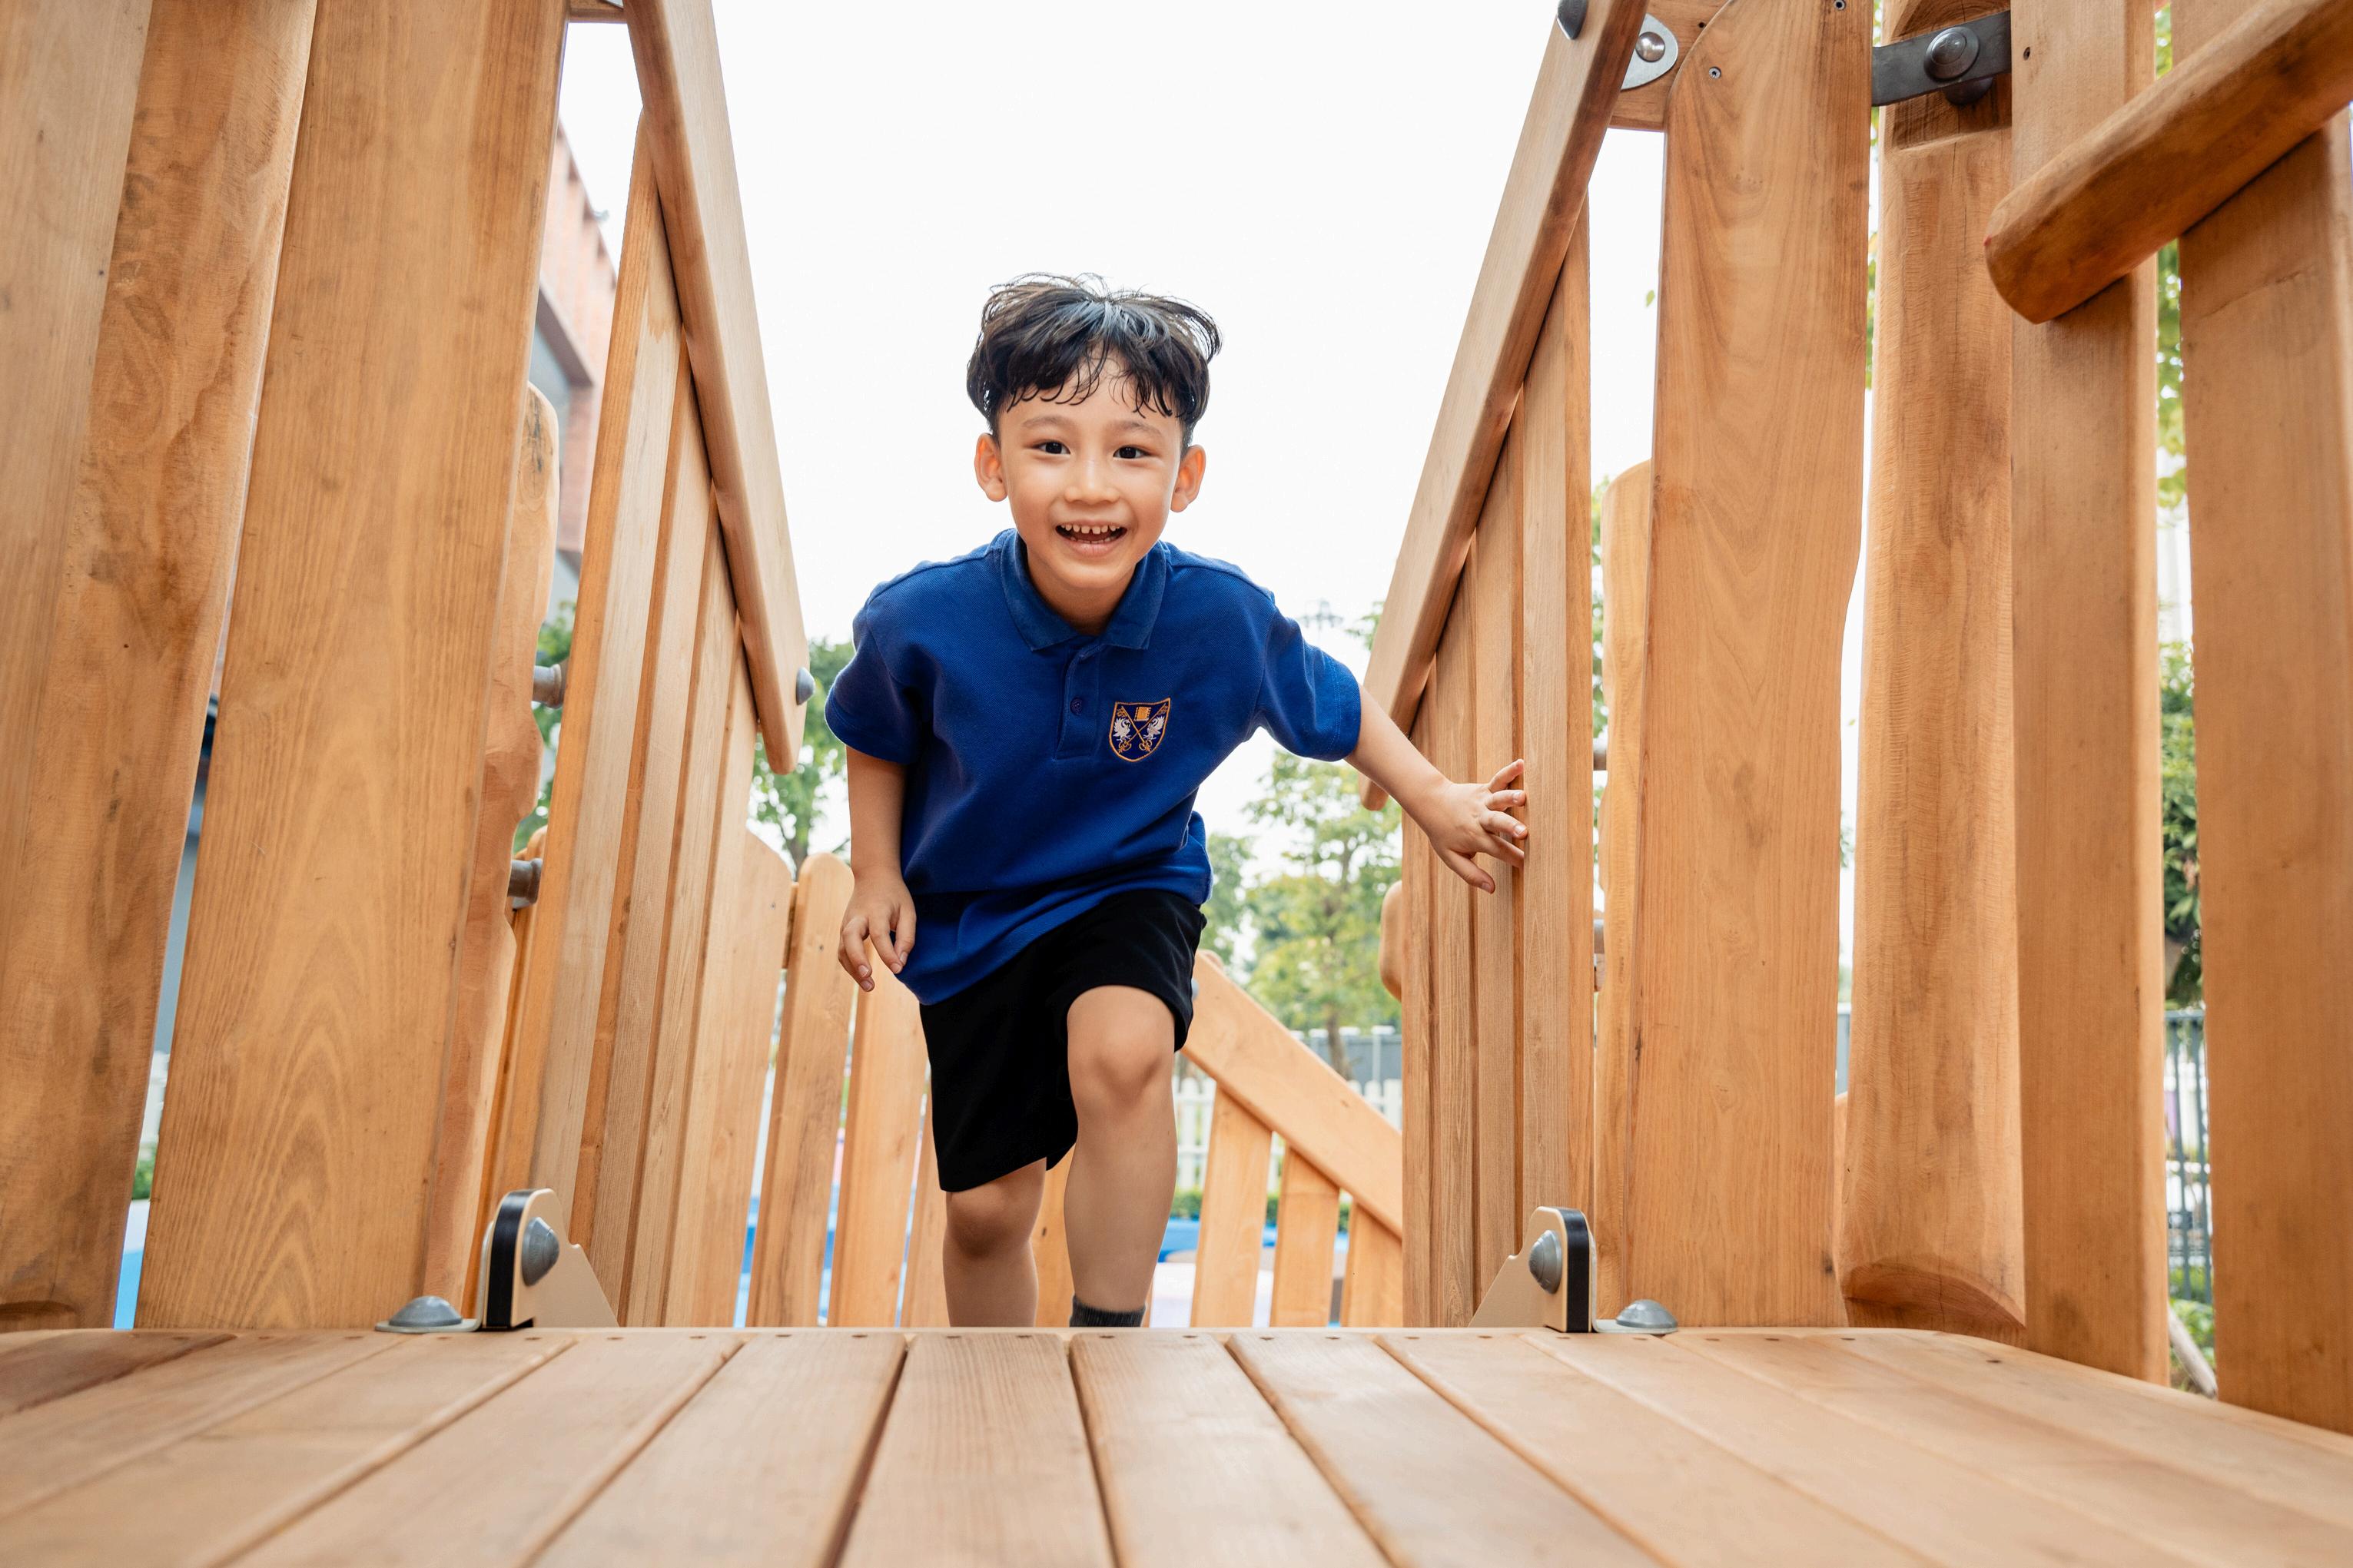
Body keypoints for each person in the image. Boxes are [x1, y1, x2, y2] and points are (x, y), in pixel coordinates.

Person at [825, 274, 1525, 1328]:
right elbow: (875, 735)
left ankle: (1109, 1342)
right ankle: (994, 1386)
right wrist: (877, 871)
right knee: (985, 1209)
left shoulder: (1218, 618)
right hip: (974, 918)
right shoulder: (922, 619)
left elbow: (1333, 707)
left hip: (1128, 883)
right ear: (992, 464)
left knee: (1124, 1053)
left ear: (1183, 476)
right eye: (1050, 446)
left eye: (1131, 452)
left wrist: (1435, 799)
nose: (1090, 485)